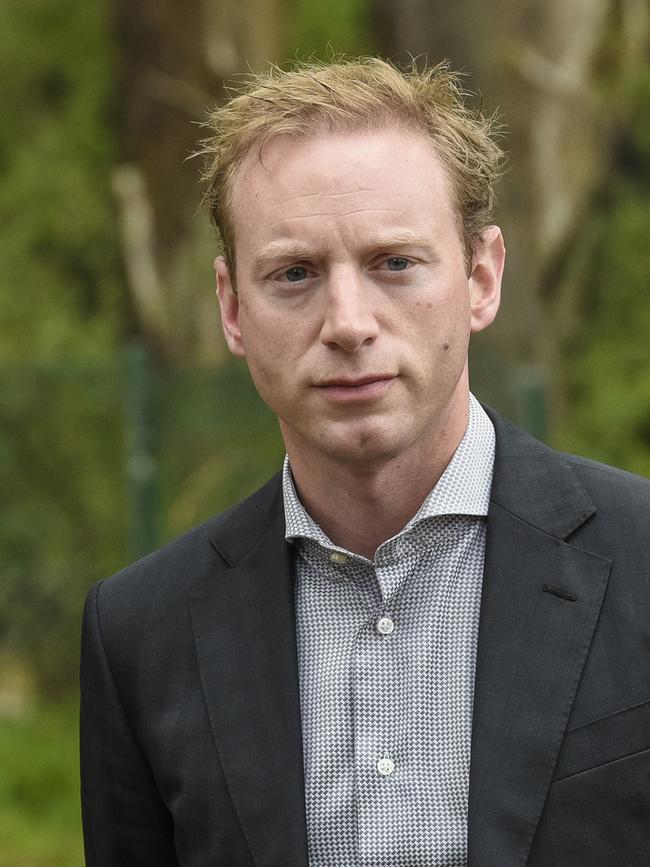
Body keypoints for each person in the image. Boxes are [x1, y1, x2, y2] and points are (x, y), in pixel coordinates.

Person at [80, 57, 650, 867]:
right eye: (295, 274)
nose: (348, 322)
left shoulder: (642, 561)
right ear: (232, 307)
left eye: (394, 263)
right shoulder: (138, 635)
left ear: (482, 277)